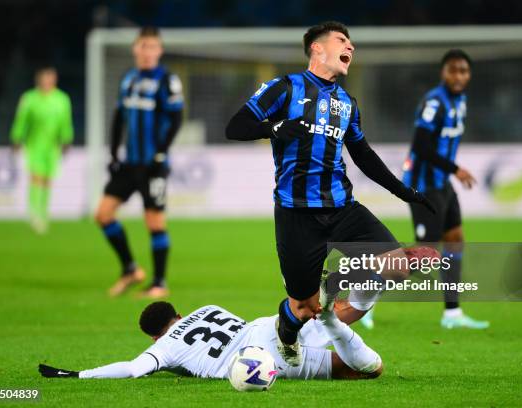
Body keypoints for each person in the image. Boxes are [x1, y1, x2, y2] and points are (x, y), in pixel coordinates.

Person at [225, 21, 436, 367]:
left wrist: (405, 192)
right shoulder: (284, 88)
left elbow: (363, 155)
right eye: (342, 41)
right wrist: (274, 127)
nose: (350, 48)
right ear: (317, 48)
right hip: (296, 213)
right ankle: (287, 334)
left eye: (352, 44)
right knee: (304, 308)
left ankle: (335, 282)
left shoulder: (346, 103)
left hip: (342, 208)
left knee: (396, 265)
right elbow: (235, 127)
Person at [38, 299, 383, 381]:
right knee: (323, 312)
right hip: (268, 327)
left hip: (255, 362)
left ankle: (335, 325)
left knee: (367, 371)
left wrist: (77, 375)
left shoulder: (165, 346)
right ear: (177, 312)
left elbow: (132, 369)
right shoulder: (208, 307)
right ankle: (381, 274)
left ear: (155, 334)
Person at [397, 49, 488, 329]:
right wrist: (456, 169)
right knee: (427, 252)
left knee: (455, 238)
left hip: (442, 183)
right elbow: (421, 147)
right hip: (424, 185)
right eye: (453, 70)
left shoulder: (460, 101)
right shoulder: (434, 102)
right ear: (443, 73)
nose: (459, 75)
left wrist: (450, 173)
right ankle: (365, 292)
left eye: (464, 70)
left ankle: (452, 313)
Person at [94, 27, 184, 299]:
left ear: (159, 50)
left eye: (152, 46)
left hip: (153, 164)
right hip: (129, 163)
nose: (147, 51)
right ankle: (130, 269)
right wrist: (112, 153)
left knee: (154, 222)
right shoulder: (129, 78)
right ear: (135, 49)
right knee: (103, 215)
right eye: (142, 46)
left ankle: (159, 282)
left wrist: (161, 154)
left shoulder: (167, 80)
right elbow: (119, 117)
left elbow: (177, 119)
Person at [10, 67, 73, 234]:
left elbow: (66, 121)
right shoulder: (29, 98)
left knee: (47, 179)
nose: (48, 82)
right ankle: (34, 213)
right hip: (34, 144)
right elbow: (21, 120)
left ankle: (44, 213)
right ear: (39, 80)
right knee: (36, 177)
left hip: (52, 146)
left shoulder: (62, 99)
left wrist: (67, 139)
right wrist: (17, 137)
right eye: (45, 79)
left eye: (51, 79)